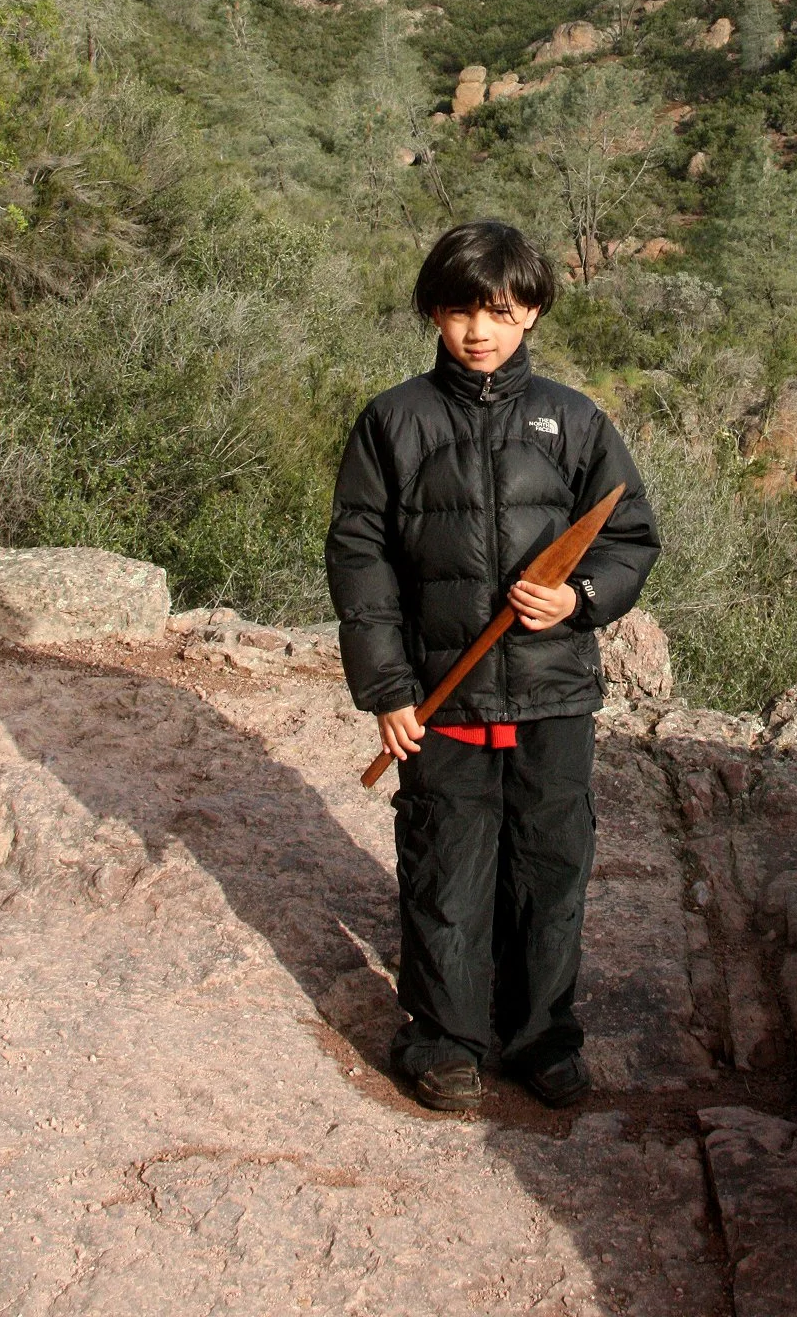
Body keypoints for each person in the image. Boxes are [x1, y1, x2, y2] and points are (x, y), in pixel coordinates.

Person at [326, 219, 660, 1114]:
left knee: (549, 868)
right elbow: (360, 561)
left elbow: (628, 534)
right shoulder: (393, 420)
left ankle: (542, 1035)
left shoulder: (576, 419)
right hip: (444, 696)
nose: (480, 329)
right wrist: (389, 691)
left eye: (502, 311)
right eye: (461, 308)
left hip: (552, 696)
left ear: (534, 313)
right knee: (447, 867)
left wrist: (580, 600)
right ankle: (443, 1037)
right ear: (433, 312)